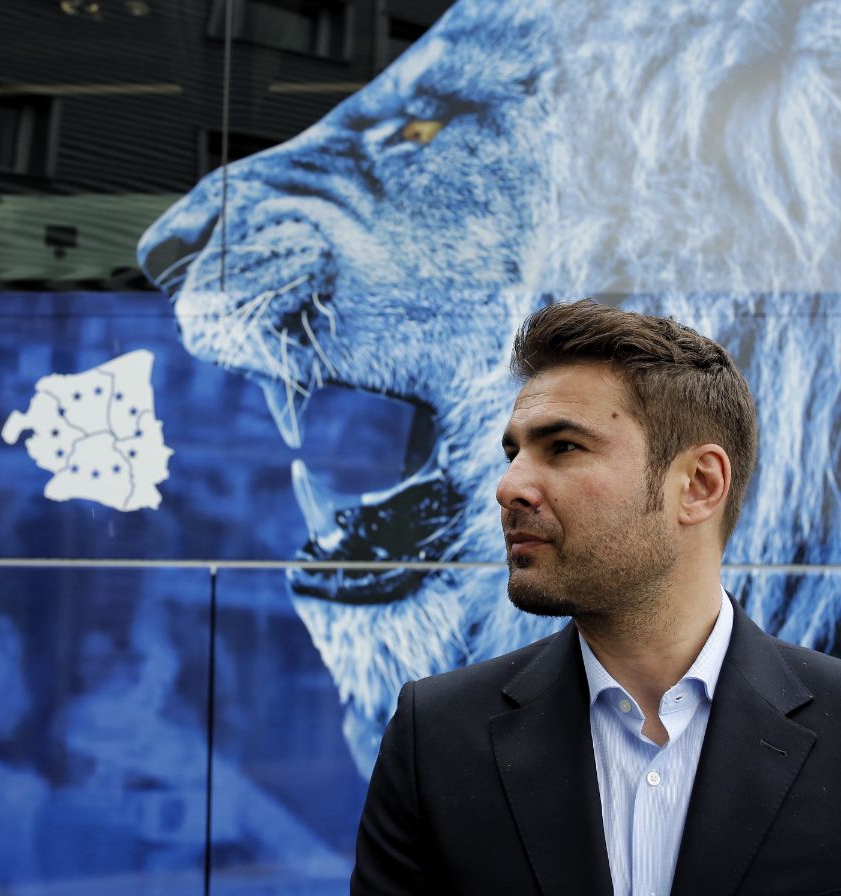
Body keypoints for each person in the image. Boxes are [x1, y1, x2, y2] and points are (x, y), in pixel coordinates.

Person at [351, 299, 841, 895]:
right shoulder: (436, 738)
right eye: (513, 453)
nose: (509, 487)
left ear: (699, 485)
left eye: (562, 447)